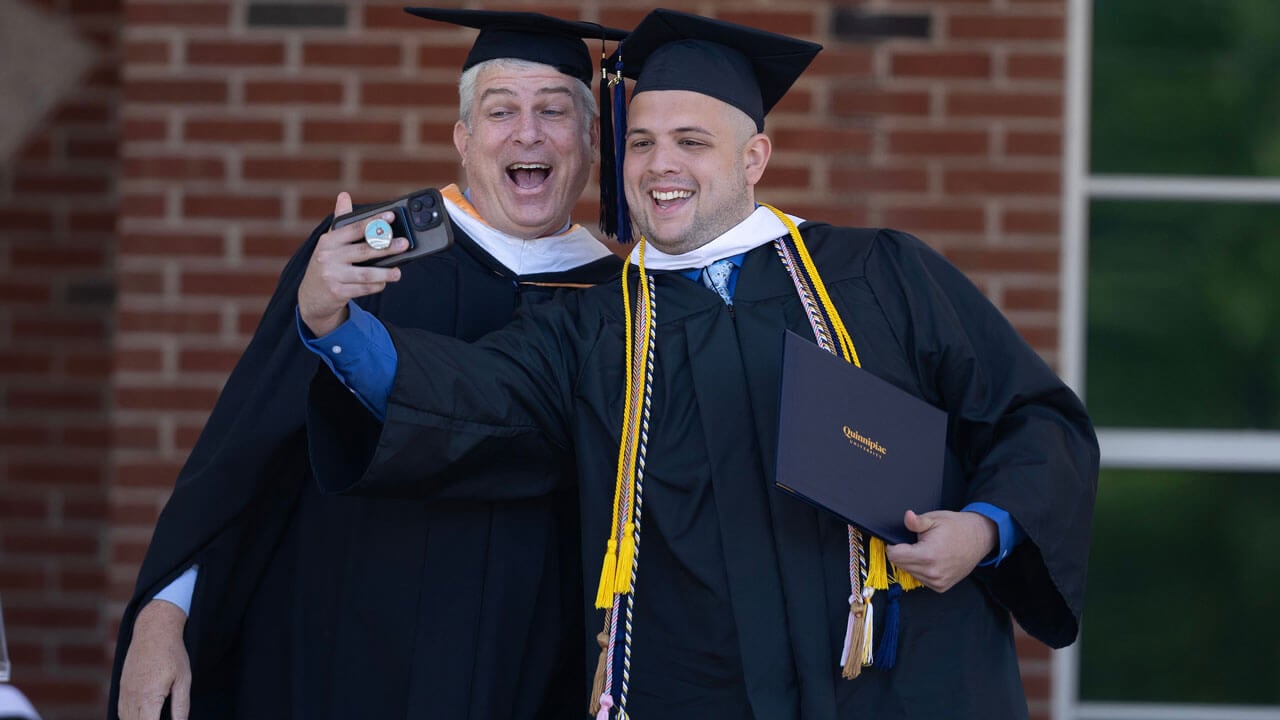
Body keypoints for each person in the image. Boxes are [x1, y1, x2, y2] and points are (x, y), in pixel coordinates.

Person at [300, 8, 1099, 719]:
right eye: (642, 142)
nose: (660, 165)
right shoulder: (590, 323)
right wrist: (334, 322)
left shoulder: (879, 274)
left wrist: (985, 530)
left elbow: (1032, 416)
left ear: (754, 158)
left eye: (692, 142)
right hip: (692, 685)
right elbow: (464, 395)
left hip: (899, 678)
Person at [110, 8, 626, 720]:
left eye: (554, 110)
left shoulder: (623, 302)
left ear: (592, 140)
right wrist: (164, 616)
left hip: (535, 668)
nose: (528, 132)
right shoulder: (359, 260)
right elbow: (245, 450)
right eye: (501, 110)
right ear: (463, 138)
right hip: (344, 653)